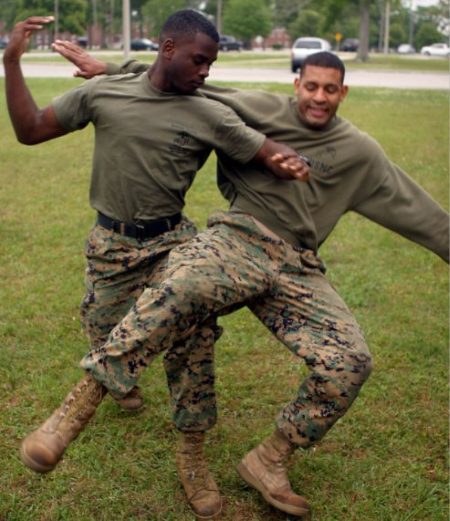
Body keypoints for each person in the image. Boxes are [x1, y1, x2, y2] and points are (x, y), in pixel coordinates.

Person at [19, 49, 449, 519]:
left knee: (350, 361)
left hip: (298, 266)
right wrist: (113, 69)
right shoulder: (259, 108)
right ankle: (80, 405)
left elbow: (420, 213)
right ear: (297, 84)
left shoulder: (361, 153)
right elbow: (187, 83)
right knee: (180, 286)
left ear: (343, 93)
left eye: (330, 89)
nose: (319, 97)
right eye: (311, 86)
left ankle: (269, 461)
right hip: (239, 238)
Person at [4, 11, 311, 520]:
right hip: (111, 245)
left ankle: (192, 455)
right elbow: (30, 130)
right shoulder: (105, 93)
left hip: (173, 244)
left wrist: (292, 160)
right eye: (199, 59)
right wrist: (11, 62)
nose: (206, 71)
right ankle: (120, 381)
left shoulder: (206, 111)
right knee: (106, 331)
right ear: (168, 49)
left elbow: (264, 149)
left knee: (193, 340)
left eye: (212, 63)